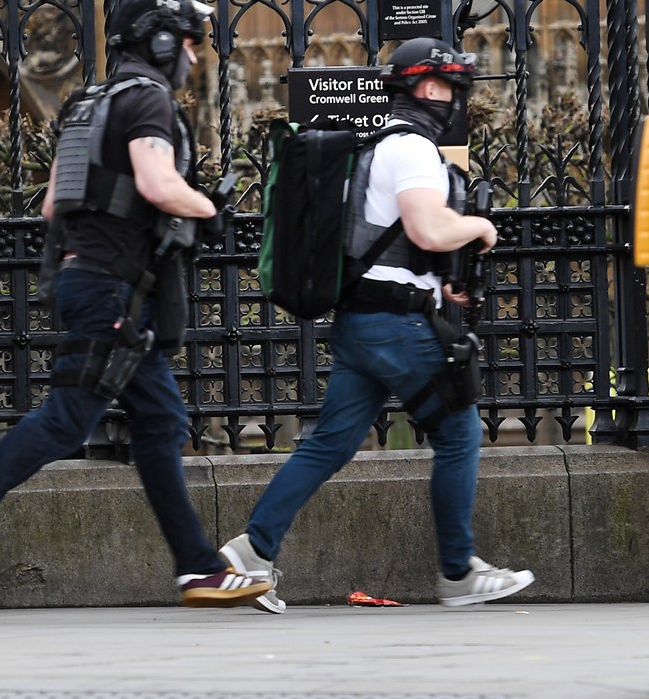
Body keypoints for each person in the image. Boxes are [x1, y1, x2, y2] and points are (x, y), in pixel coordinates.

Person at [0, 0, 271, 610]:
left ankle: (198, 569)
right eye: (187, 43)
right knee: (68, 418)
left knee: (160, 422)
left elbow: (55, 203)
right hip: (113, 288)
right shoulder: (148, 100)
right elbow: (158, 183)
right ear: (161, 42)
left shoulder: (89, 104)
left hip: (96, 280)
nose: (192, 56)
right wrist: (208, 208)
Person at [217, 37, 535, 613]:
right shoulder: (412, 149)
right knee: (459, 432)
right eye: (454, 89)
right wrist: (481, 228)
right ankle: (458, 572)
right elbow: (427, 229)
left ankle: (251, 550)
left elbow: (390, 239)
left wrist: (442, 279)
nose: (456, 101)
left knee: (330, 445)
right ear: (430, 86)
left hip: (363, 321)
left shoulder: (376, 145)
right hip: (396, 325)